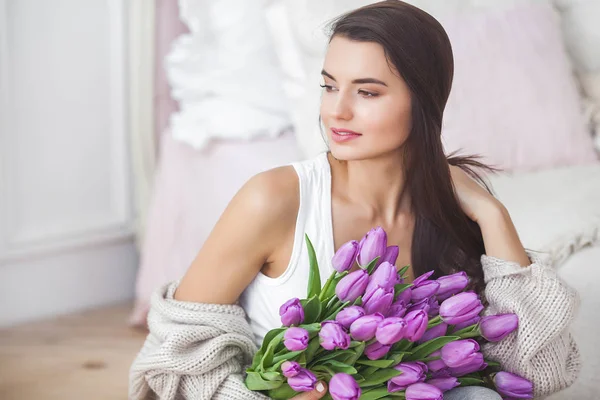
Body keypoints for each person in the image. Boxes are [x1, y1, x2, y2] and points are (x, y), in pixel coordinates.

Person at [129, 2, 581, 399]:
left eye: (366, 92)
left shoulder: (450, 211)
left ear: (424, 101)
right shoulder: (274, 199)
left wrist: (492, 214)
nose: (337, 111)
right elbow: (174, 356)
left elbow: (534, 371)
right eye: (329, 86)